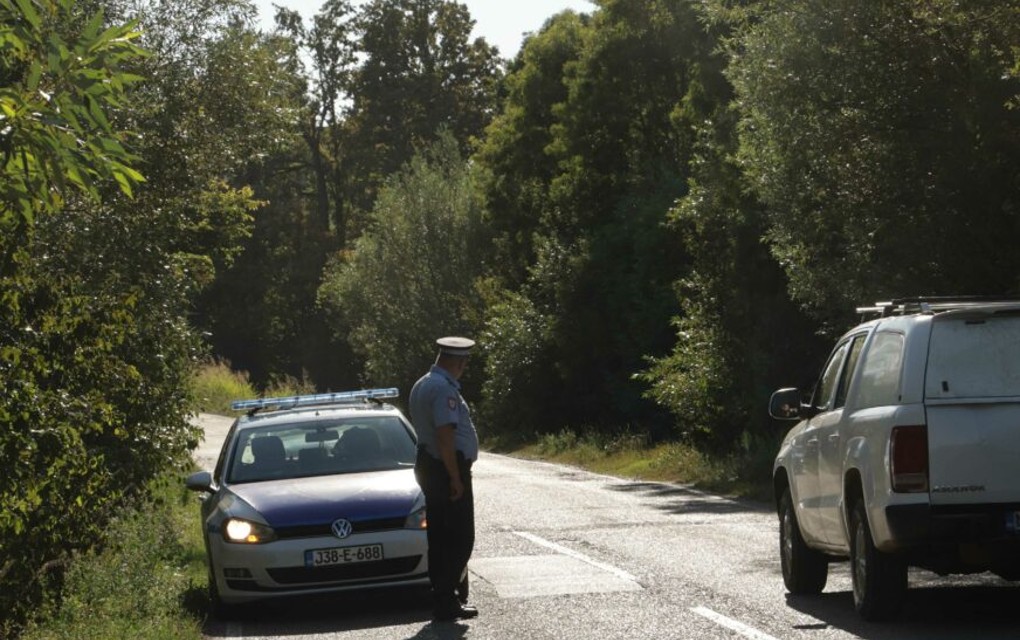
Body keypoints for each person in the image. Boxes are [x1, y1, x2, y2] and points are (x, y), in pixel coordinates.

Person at [409, 336, 480, 622]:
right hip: (445, 468)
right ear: (458, 362)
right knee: (460, 537)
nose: (463, 368)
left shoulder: (423, 383)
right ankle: (445, 598)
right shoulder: (443, 390)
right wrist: (455, 477)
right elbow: (445, 435)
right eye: (463, 363)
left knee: (440, 536)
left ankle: (443, 595)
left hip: (430, 464)